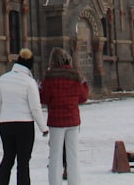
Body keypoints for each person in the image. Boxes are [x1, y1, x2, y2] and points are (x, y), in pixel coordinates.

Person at [0, 48, 48, 185]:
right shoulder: (29, 82)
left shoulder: (2, 79)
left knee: (7, 159)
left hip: (6, 124)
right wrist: (43, 128)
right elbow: (35, 108)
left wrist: (1, 118)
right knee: (23, 162)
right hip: (25, 125)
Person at [40, 47, 90, 185]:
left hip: (56, 121)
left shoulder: (49, 76)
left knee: (55, 156)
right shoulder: (75, 75)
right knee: (73, 155)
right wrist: (84, 84)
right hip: (73, 120)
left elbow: (44, 98)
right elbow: (83, 97)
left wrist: (39, 88)